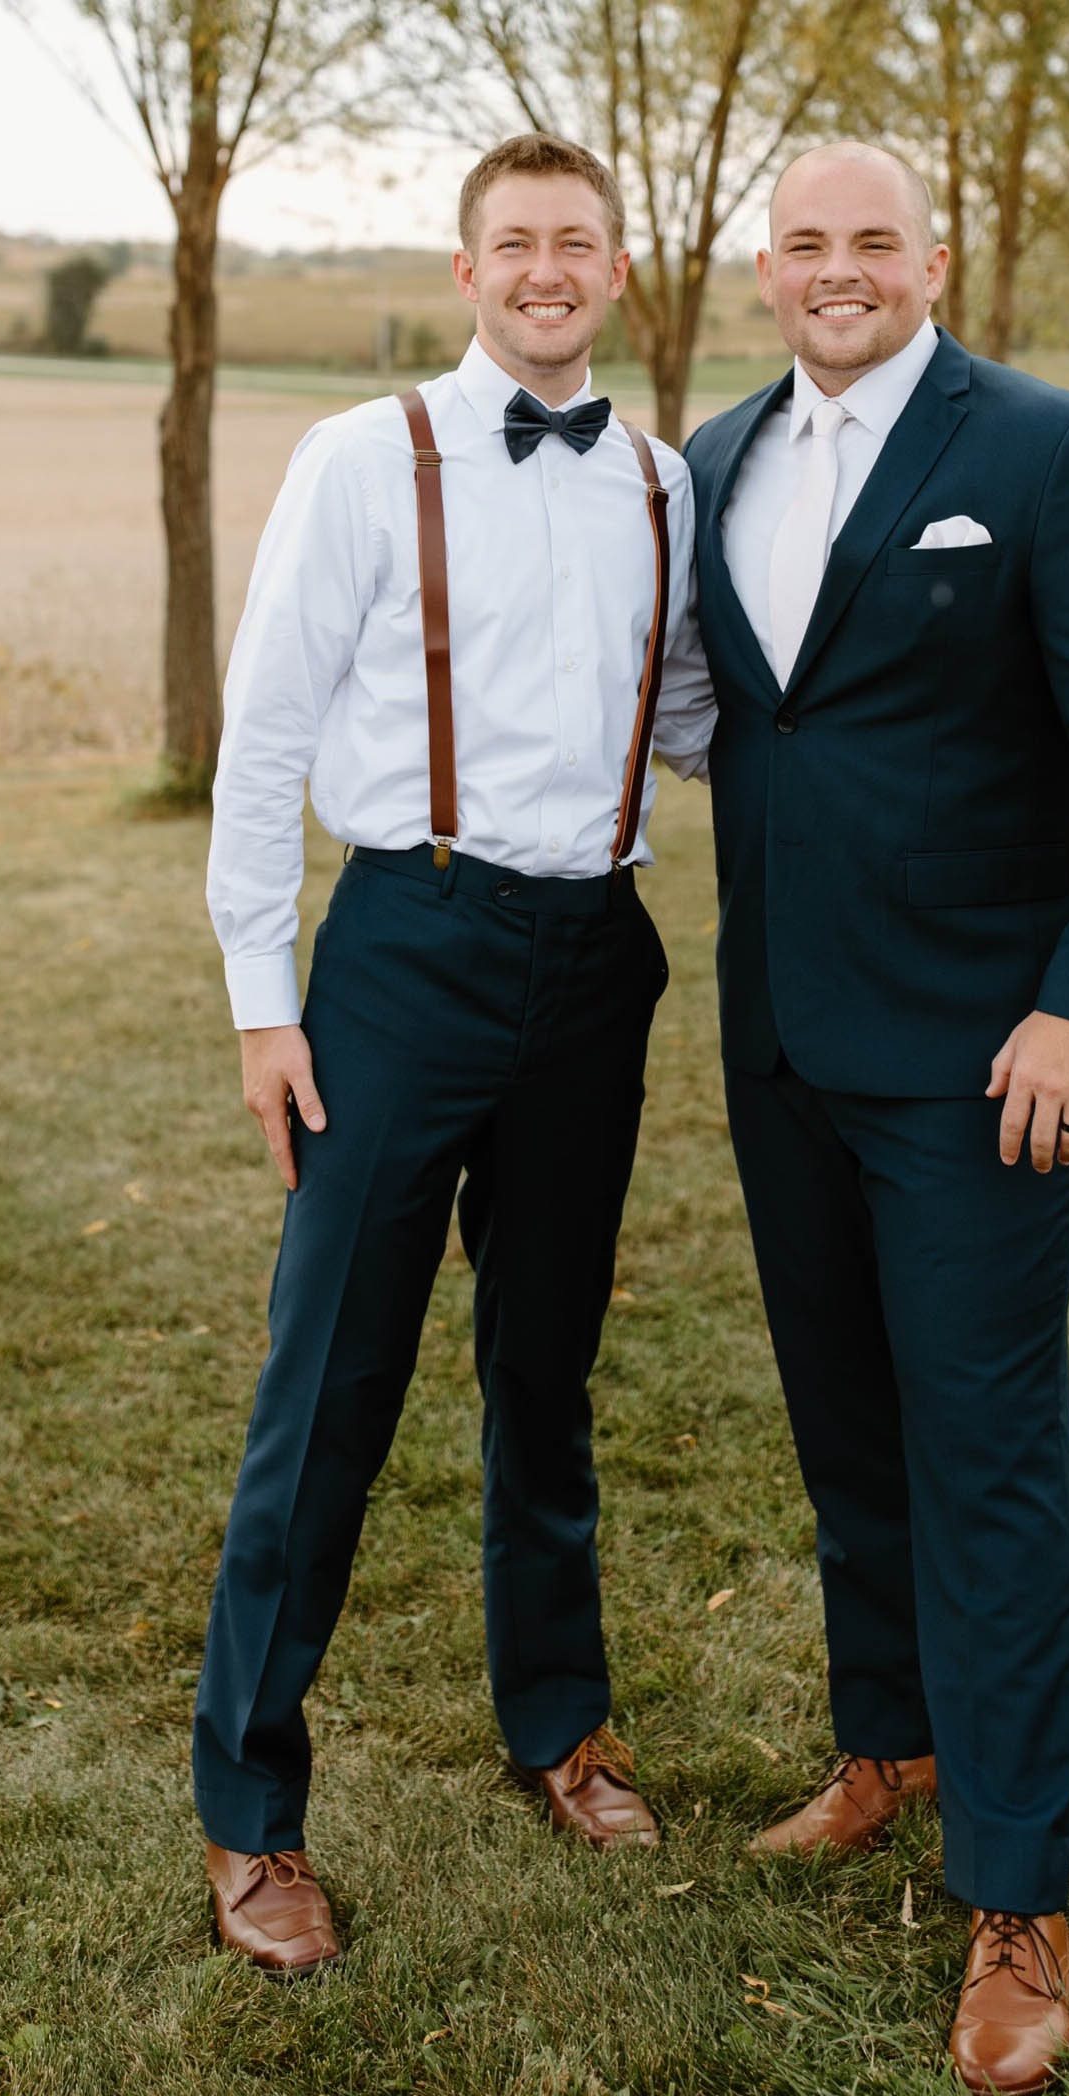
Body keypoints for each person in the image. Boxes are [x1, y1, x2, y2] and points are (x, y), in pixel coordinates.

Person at [685, 141, 1069, 2092]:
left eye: (871, 240)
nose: (839, 270)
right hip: (779, 1051)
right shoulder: (713, 460)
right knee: (845, 1426)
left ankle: (1015, 1891)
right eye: (805, 243)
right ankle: (887, 1743)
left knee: (984, 1458)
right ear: (764, 270)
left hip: (987, 1061)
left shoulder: (1051, 452)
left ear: (937, 256)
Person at [194, 133, 714, 1975]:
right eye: (517, 242)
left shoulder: (663, 479)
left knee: (545, 1370)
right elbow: (261, 742)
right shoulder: (362, 457)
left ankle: (557, 1725)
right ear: (469, 264)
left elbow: (697, 714)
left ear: (618, 272)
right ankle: (252, 1813)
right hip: (404, 950)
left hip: (593, 962)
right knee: (328, 1381)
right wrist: (269, 1001)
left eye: (578, 241)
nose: (548, 268)